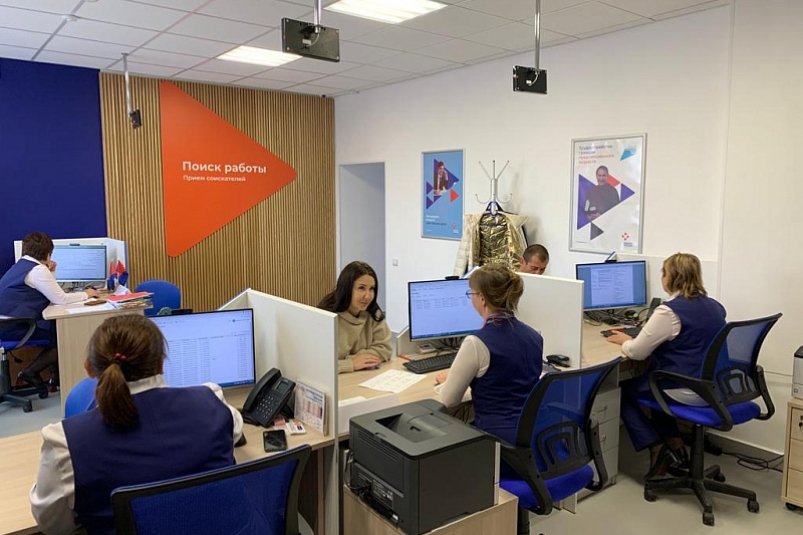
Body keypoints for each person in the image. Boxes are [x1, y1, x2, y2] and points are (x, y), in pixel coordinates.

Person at [30, 314, 244, 535]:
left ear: (89, 369)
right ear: (160, 363)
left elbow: (54, 527)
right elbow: (236, 432)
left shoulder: (64, 443)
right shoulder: (212, 401)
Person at [606, 252, 725, 479]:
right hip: (712, 387)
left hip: (684, 388)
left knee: (626, 391)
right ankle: (676, 445)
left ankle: (657, 446)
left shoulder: (668, 312)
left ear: (671, 277)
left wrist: (625, 341)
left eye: (664, 273)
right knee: (652, 380)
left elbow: (637, 352)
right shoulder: (715, 307)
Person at [435, 264, 543, 444]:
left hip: (495, 438)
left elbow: (448, 400)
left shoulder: (476, 343)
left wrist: (449, 381)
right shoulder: (534, 336)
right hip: (532, 433)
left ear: (482, 298)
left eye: (471, 293)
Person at [0, 232, 99, 387]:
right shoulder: (37, 270)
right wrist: (87, 294)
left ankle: (55, 379)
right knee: (63, 338)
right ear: (47, 253)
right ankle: (29, 372)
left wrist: (49, 270)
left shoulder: (22, 265)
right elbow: (60, 299)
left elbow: (48, 290)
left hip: (6, 324)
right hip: (15, 327)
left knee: (54, 327)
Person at [318, 261, 391, 373]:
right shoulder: (326, 317)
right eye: (361, 288)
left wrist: (358, 360)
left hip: (363, 375)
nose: (368, 296)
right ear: (346, 289)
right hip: (335, 379)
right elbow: (317, 363)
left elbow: (385, 348)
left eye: (372, 288)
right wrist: (351, 363)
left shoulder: (373, 312)